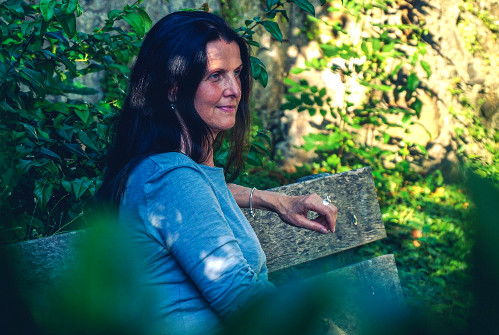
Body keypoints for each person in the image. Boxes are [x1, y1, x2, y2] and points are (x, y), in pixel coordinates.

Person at [97, 11, 338, 334]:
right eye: (216, 76)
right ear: (172, 88)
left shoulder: (165, 172)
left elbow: (203, 194)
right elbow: (245, 301)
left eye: (237, 73)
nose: (235, 89)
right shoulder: (171, 179)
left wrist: (276, 201)